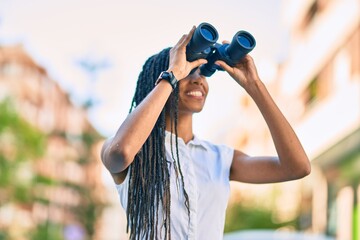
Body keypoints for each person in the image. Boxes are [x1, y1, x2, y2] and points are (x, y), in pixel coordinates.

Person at [100, 25, 311, 240]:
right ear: (160, 79)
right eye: (188, 71)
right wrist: (173, 74)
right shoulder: (135, 150)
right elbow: (121, 153)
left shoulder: (219, 158)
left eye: (203, 72)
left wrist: (254, 85)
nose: (198, 79)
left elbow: (297, 167)